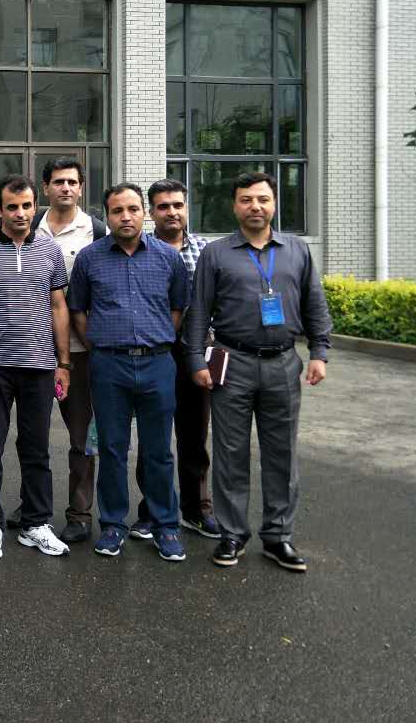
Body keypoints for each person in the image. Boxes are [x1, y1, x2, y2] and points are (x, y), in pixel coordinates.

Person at [183, 171, 330, 572]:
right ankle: (232, 534)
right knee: (230, 453)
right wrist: (196, 360)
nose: (255, 207)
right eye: (246, 199)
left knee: (282, 453)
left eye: (263, 199)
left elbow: (314, 303)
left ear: (274, 204)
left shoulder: (296, 250)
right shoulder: (217, 254)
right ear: (235, 206)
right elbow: (199, 311)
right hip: (233, 362)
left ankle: (278, 536)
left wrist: (319, 352)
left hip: (283, 362)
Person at [68, 183, 190, 563]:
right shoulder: (89, 258)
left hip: (158, 363)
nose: (126, 217)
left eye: (133, 209)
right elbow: (78, 311)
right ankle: (113, 525)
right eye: (117, 210)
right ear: (107, 215)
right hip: (109, 365)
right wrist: (99, 346)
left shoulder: (168, 258)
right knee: (112, 449)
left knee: (158, 451)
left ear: (144, 213)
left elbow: (177, 309)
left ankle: (165, 525)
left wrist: (157, 340)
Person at [0, 176, 72, 561]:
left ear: (35, 206)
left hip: (39, 365)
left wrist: (63, 362)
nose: (20, 213)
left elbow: (58, 306)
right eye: (12, 207)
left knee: (36, 449)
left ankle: (36, 524)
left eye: (26, 206)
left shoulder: (50, 250)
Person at [9, 155, 106, 543]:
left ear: (81, 187)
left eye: (72, 181)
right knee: (30, 436)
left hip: (78, 352)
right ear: (45, 188)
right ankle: (31, 505)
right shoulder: (27, 224)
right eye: (58, 181)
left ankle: (79, 513)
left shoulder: (96, 231)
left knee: (81, 436)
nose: (66, 187)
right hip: (29, 350)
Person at [135, 178, 218, 540]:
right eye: (163, 206)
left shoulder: (207, 251)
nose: (171, 212)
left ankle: (196, 509)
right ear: (151, 212)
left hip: (196, 353)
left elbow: (220, 302)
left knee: (194, 435)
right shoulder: (139, 249)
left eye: (177, 205)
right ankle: (151, 511)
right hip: (154, 352)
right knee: (152, 437)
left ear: (186, 208)